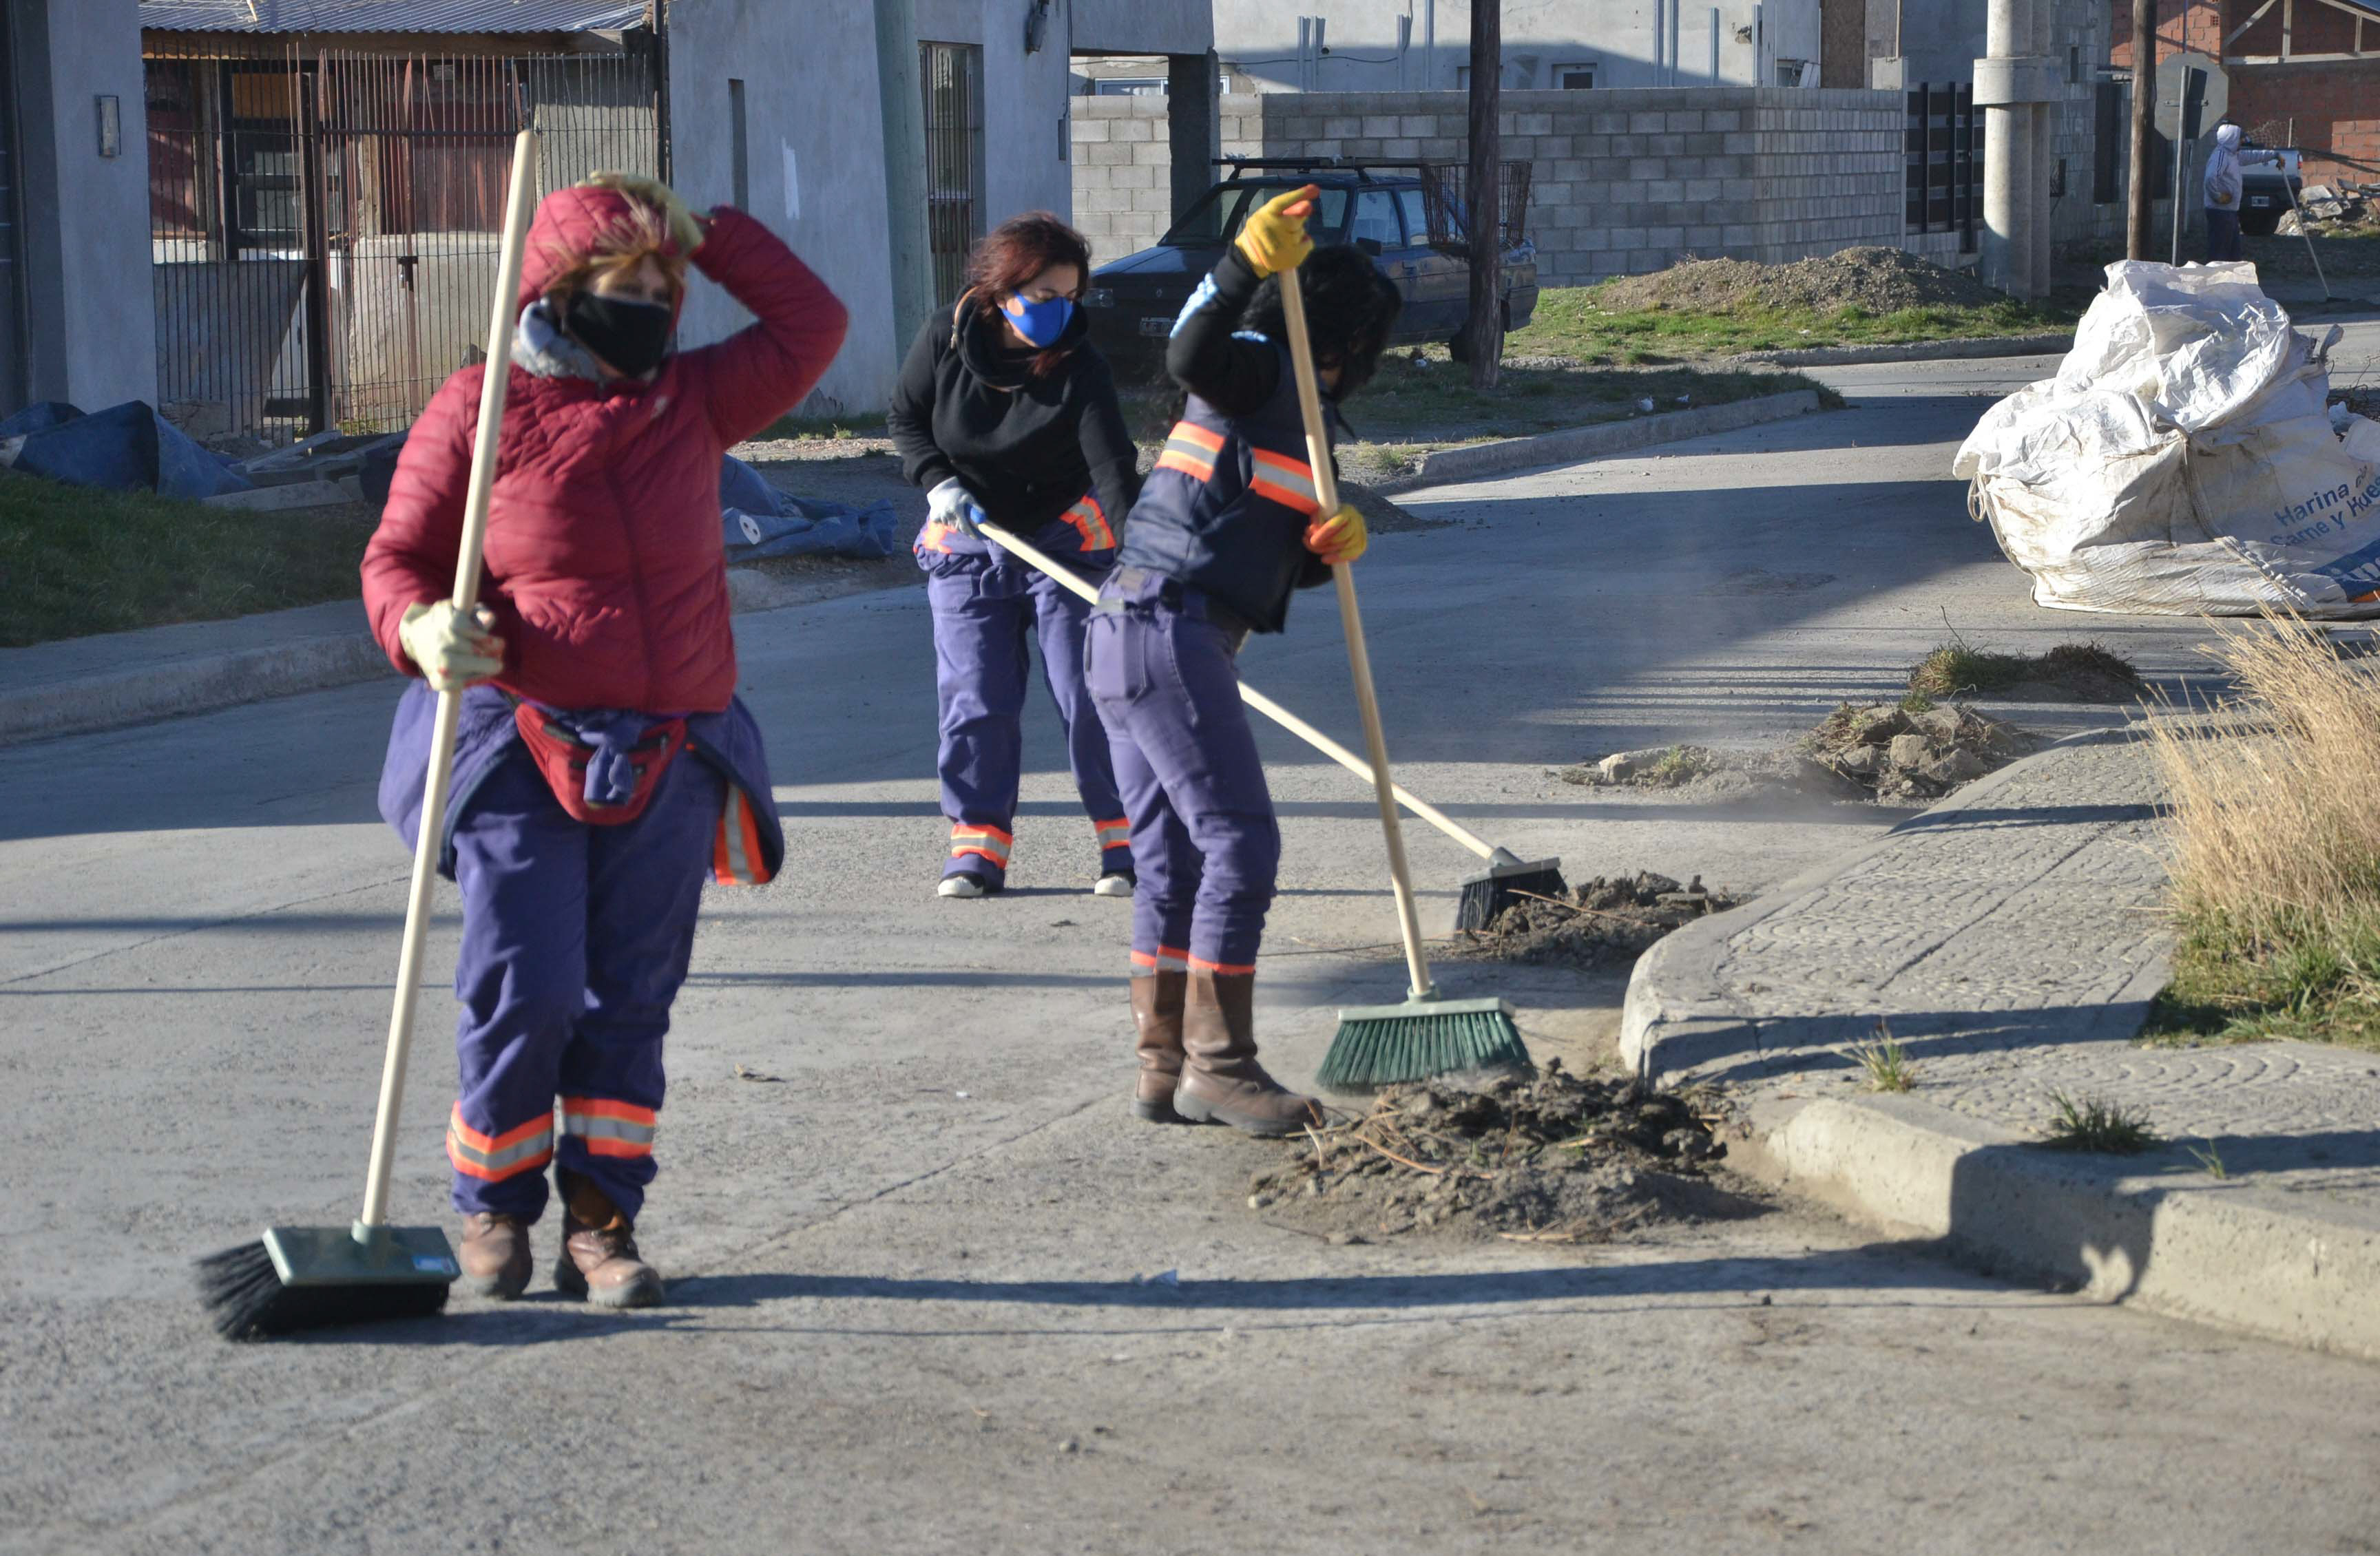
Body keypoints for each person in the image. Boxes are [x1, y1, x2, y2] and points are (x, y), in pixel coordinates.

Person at [361, 172, 848, 1308]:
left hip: (671, 742)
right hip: (522, 735)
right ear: (560, 292)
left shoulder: (695, 400)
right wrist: (422, 626)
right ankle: (492, 1201)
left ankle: (602, 1219)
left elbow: (812, 324)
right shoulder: (482, 410)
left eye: (660, 285)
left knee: (632, 992)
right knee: (524, 982)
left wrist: (712, 234)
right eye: (622, 284)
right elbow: (397, 561)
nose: (649, 305)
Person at [1087, 186, 1401, 1137]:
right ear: (1349, 343)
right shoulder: (1260, 367)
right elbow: (1185, 351)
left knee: (1175, 861)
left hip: (1137, 631)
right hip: (1165, 629)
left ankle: (1162, 1065)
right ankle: (1222, 1067)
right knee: (1242, 843)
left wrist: (1324, 548)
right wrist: (1239, 266)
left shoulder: (1301, 421)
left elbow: (1254, 552)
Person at [887, 213, 1142, 901]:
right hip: (969, 538)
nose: (1062, 311)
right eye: (1046, 296)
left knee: (1089, 695)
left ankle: (1124, 843)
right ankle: (977, 848)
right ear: (1003, 292)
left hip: (1063, 537)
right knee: (976, 698)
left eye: (1071, 297)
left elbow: (1114, 468)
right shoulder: (945, 336)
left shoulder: (1080, 363)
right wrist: (936, 480)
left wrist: (1146, 567)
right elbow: (906, 420)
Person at [2204, 122, 2281, 262]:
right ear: (2231, 138)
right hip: (2219, 211)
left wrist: (2274, 155)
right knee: (2219, 252)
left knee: (2233, 253)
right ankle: (2216, 281)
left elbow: (2252, 156)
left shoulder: (2233, 155)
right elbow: (2210, 177)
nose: (2242, 141)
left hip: (2230, 211)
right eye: (2239, 138)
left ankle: (2231, 282)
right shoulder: (2221, 155)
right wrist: (2218, 196)